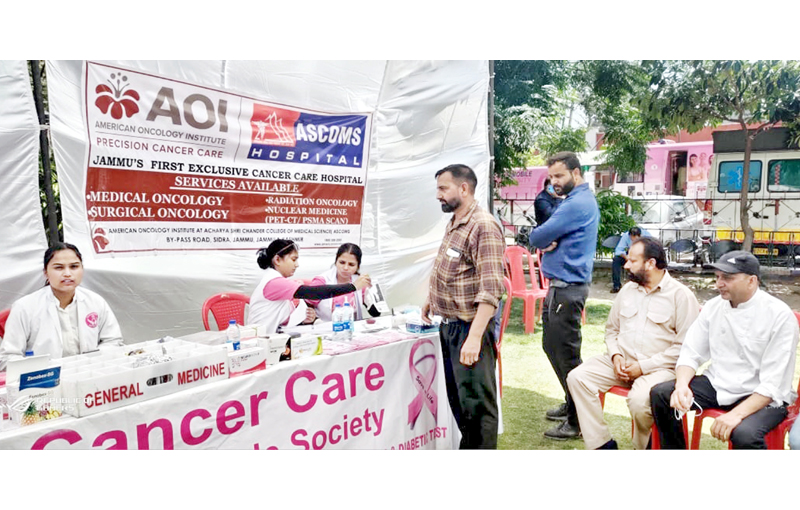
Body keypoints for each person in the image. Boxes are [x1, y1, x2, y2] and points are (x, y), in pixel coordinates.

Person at [650, 251, 799, 449]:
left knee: (745, 434)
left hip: (763, 396)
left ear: (752, 281)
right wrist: (682, 385)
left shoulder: (780, 316)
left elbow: (773, 384)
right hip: (718, 383)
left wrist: (736, 415)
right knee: (662, 394)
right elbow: (691, 352)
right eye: (718, 276)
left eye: (727, 278)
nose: (719, 283)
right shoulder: (713, 307)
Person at [566, 237, 700, 449]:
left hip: (659, 369)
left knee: (639, 401)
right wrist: (616, 356)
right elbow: (612, 330)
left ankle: (644, 447)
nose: (626, 265)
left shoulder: (681, 296)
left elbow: (685, 349)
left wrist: (642, 367)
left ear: (651, 263)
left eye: (632, 261)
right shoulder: (627, 290)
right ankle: (602, 445)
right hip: (622, 364)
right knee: (578, 377)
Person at [422, 163, 504, 449]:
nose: (438, 195)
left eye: (443, 188)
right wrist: (433, 299)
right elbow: (455, 270)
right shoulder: (456, 221)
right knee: (462, 406)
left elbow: (491, 289)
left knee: (478, 411)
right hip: (451, 329)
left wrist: (474, 337)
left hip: (469, 330)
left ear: (464, 188)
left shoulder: (483, 225)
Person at [528, 151, 600, 440]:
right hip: (560, 287)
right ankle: (572, 404)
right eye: (551, 177)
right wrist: (546, 239)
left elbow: (536, 237)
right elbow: (543, 236)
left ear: (576, 173)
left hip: (567, 288)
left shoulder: (577, 203)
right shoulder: (573, 201)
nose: (554, 182)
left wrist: (544, 240)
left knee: (566, 355)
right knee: (552, 347)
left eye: (559, 175)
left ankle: (578, 420)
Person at [0, 242, 123, 371]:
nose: (67, 273)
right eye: (59, 268)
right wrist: (42, 370)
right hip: (43, 379)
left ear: (82, 269)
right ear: (45, 273)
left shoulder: (96, 302)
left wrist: (90, 362)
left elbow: (113, 342)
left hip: (90, 374)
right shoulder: (24, 307)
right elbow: (7, 358)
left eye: (74, 266)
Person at [248, 239, 372, 333]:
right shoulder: (274, 282)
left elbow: (281, 317)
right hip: (261, 339)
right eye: (293, 259)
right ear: (277, 260)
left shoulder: (277, 280)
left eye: (351, 264)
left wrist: (304, 318)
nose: (297, 265)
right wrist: (353, 287)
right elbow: (315, 293)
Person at [308, 243, 381, 322]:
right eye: (342, 262)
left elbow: (376, 313)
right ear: (336, 262)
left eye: (351, 264)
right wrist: (314, 320)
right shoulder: (321, 281)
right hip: (324, 327)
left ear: (358, 266)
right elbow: (305, 308)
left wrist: (373, 295)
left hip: (352, 328)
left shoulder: (360, 282)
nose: (345, 268)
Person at [611, 226, 651, 293]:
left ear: (640, 236)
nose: (633, 241)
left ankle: (645, 283)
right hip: (630, 255)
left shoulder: (647, 236)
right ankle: (616, 285)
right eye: (632, 239)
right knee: (616, 260)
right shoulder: (626, 236)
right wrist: (625, 257)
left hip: (643, 255)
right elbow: (618, 250)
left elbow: (652, 250)